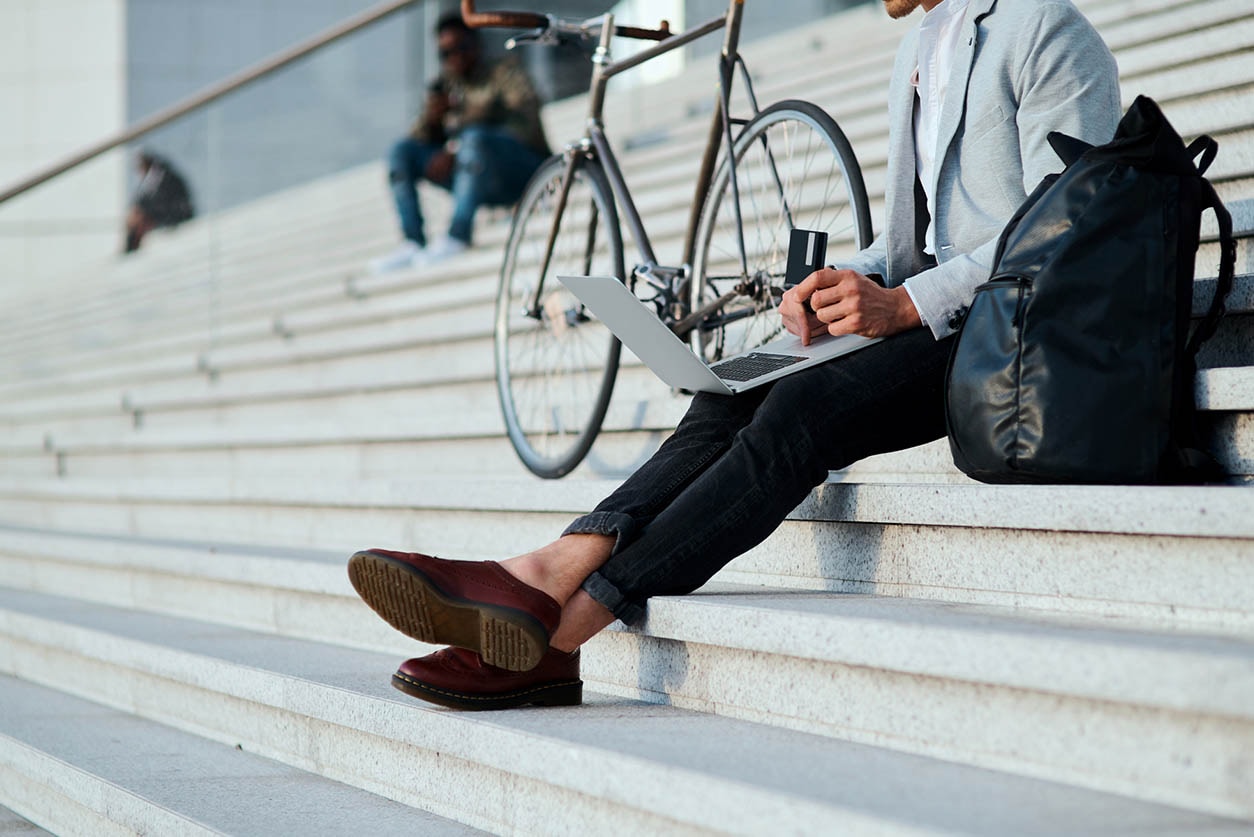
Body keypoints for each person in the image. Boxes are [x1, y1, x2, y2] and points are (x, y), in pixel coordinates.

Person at [347, 0, 1122, 710]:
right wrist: (846, 280)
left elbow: (1066, 221)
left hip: (1012, 334)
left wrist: (906, 303)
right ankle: (549, 567)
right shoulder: (921, 45)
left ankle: (556, 636)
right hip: (931, 315)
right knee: (727, 388)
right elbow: (910, 241)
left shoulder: (1044, 27)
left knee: (799, 411)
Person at [369, 11, 551, 273]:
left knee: (474, 139)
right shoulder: (445, 86)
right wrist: (433, 120)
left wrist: (459, 142)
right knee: (401, 152)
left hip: (523, 171)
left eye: (461, 48)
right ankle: (413, 241)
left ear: (475, 44)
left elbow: (525, 123)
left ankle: (458, 234)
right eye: (445, 53)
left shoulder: (504, 72)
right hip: (478, 176)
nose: (455, 58)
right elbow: (417, 140)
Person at [124, 150, 195, 253]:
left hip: (177, 214)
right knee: (136, 215)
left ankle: (131, 248)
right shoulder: (153, 181)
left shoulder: (165, 177)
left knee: (139, 217)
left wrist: (142, 212)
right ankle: (130, 246)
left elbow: (165, 202)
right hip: (165, 213)